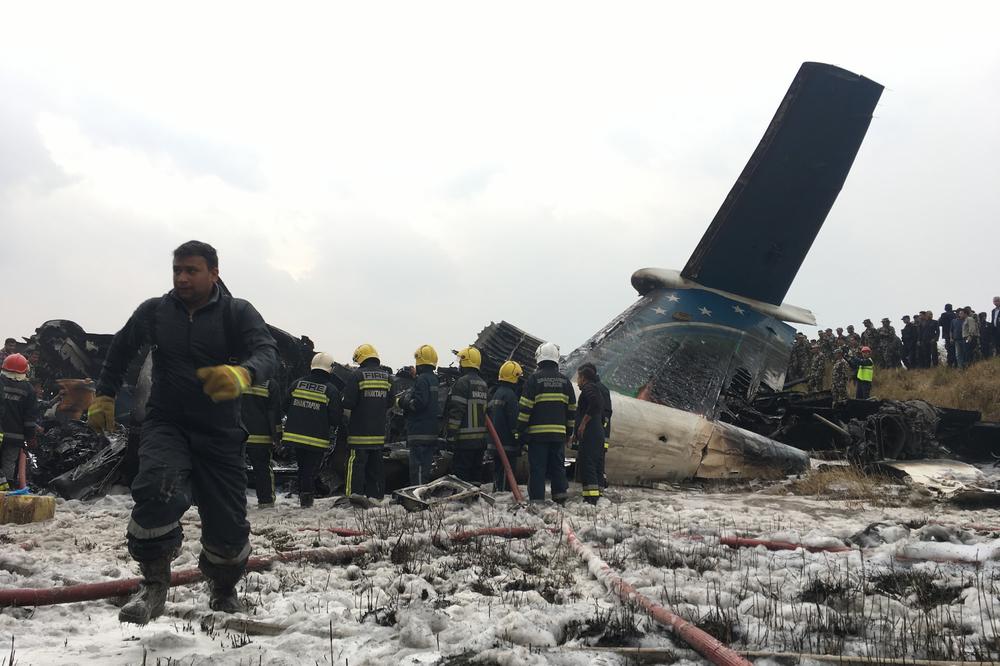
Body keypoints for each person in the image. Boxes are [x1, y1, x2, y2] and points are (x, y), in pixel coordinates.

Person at [88, 240, 279, 624]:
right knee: (157, 490)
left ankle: (224, 589)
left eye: (191, 270)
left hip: (220, 432)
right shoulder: (155, 312)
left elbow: (267, 351)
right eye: (177, 270)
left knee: (228, 526)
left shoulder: (237, 313)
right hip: (167, 423)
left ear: (214, 273)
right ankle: (154, 586)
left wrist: (244, 372)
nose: (182, 277)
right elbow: (121, 349)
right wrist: (104, 394)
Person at [517, 342, 575, 504]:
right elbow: (572, 410)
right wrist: (569, 432)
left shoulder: (534, 380)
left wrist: (520, 431)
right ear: (556, 359)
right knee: (558, 467)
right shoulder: (566, 382)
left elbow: (525, 409)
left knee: (538, 469)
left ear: (539, 360)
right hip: (558, 436)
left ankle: (537, 501)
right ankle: (560, 499)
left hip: (537, 436)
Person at [283, 352, 342, 508]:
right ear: (330, 369)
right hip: (316, 438)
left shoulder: (296, 384)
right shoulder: (331, 390)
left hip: (294, 436)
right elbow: (336, 418)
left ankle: (306, 494)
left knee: (303, 468)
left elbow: (284, 406)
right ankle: (306, 502)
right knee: (310, 469)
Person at [341, 344, 391, 500]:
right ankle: (376, 498)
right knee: (376, 467)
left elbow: (348, 402)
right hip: (378, 433)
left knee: (356, 465)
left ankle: (353, 497)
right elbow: (390, 402)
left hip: (358, 433)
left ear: (361, 358)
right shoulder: (387, 377)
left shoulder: (357, 376)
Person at [445, 346, 489, 483]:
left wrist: (451, 436)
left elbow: (457, 411)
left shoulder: (462, 383)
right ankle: (476, 503)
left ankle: (462, 504)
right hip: (480, 441)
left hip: (464, 440)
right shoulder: (483, 384)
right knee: (475, 476)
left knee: (461, 478)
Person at [399, 345, 441, 486]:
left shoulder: (422, 379)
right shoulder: (434, 379)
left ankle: (416, 497)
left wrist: (404, 402)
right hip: (430, 431)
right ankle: (423, 494)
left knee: (417, 469)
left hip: (419, 432)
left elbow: (419, 403)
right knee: (425, 468)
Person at [0, 354, 39, 492]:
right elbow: (30, 418)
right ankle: (5, 492)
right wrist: (30, 437)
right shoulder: (28, 389)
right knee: (9, 462)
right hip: (16, 436)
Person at [240, 376, 281, 507]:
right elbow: (274, 413)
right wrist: (277, 436)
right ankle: (266, 502)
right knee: (263, 470)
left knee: (235, 469)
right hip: (261, 437)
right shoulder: (270, 384)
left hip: (237, 435)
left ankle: (235, 501)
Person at [573, 363, 605, 505]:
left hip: (590, 433)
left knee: (588, 464)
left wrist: (583, 423)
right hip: (596, 432)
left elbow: (595, 404)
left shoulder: (589, 388)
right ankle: (594, 495)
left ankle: (591, 499)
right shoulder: (596, 388)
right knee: (594, 464)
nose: (577, 381)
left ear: (583, 378)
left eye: (578, 377)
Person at [488, 360, 522, 492]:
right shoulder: (510, 396)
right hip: (507, 445)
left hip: (495, 444)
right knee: (505, 478)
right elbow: (514, 422)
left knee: (498, 475)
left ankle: (496, 500)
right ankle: (501, 503)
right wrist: (519, 439)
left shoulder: (497, 393)